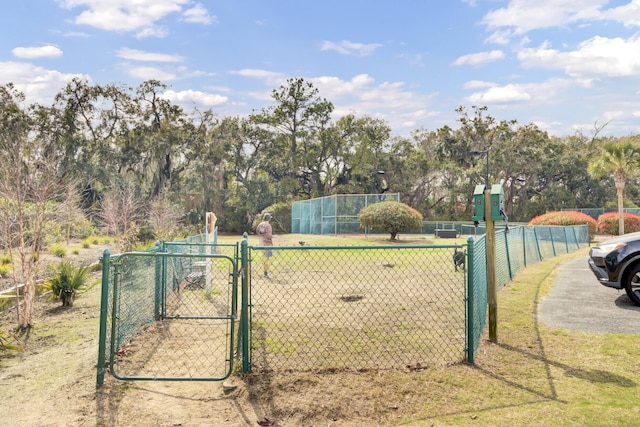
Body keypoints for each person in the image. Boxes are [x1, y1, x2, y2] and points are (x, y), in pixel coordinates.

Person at [256, 213, 273, 278]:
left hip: (261, 243)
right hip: (267, 244)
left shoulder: (260, 225)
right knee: (267, 259)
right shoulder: (268, 225)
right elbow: (268, 235)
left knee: (264, 258)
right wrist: (273, 236)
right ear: (269, 219)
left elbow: (258, 233)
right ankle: (265, 273)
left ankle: (265, 271)